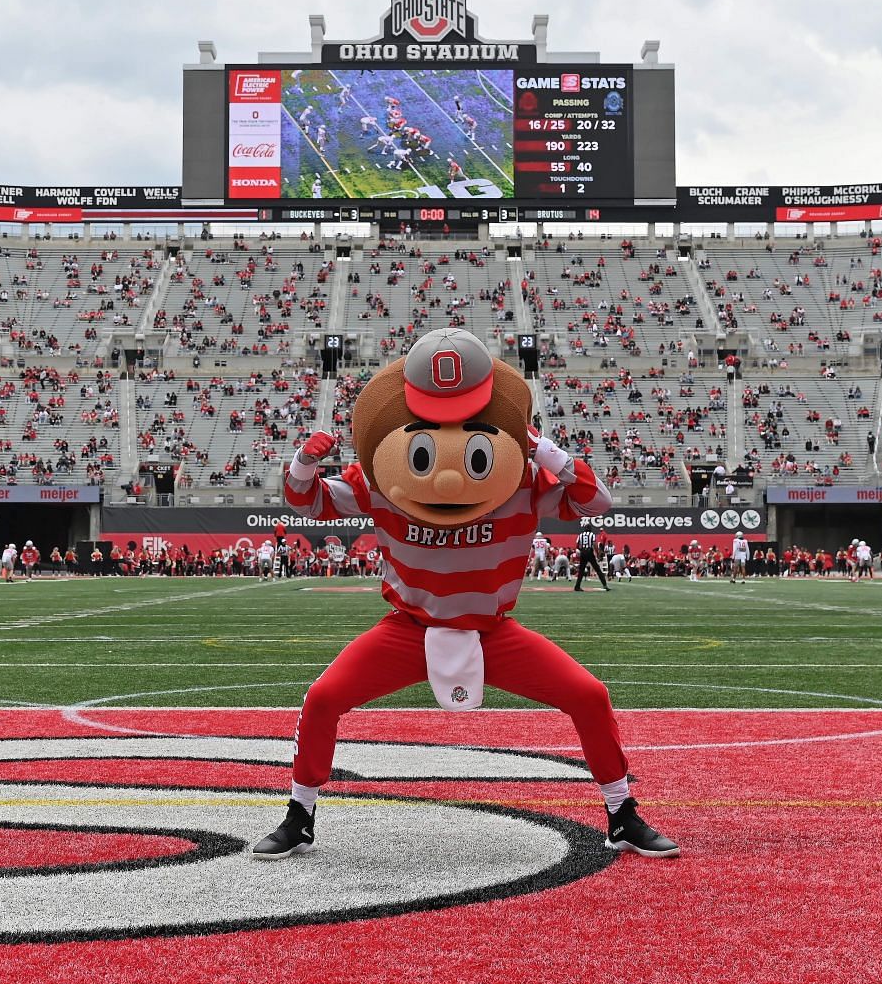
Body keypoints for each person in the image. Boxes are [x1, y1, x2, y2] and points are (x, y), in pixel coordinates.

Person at [252, 328, 677, 860]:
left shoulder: (520, 477)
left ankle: (621, 812)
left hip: (491, 631)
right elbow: (309, 503)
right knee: (323, 699)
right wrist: (302, 464)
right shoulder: (385, 474)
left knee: (588, 696)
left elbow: (597, 503)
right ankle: (300, 814)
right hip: (409, 628)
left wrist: (541, 449)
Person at [572, 524, 610, 592]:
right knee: (597, 569)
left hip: (583, 552)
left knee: (581, 570)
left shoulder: (580, 535)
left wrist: (582, 550)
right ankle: (605, 585)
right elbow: (594, 544)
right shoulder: (592, 535)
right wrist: (597, 554)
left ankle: (577, 586)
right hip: (589, 552)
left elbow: (577, 545)